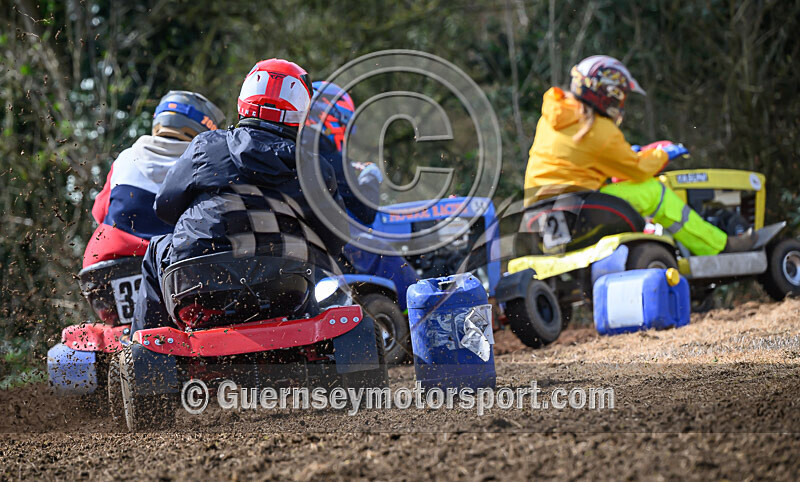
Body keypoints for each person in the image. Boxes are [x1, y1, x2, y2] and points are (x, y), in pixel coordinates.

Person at [133, 59, 346, 333]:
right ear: (301, 111)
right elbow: (335, 239)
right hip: (284, 291)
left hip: (199, 285)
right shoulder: (314, 168)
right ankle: (312, 341)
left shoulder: (206, 146)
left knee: (156, 247)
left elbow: (164, 207)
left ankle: (147, 344)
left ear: (244, 99)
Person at [523, 55, 755, 255]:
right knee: (654, 192)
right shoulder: (598, 129)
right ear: (609, 93)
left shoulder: (553, 117)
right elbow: (639, 170)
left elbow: (575, 164)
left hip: (538, 219)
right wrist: (663, 155)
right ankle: (719, 246)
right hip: (577, 213)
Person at [83, 91, 224, 268]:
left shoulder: (126, 157)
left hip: (105, 262)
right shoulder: (206, 166)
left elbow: (98, 212)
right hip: (170, 266)